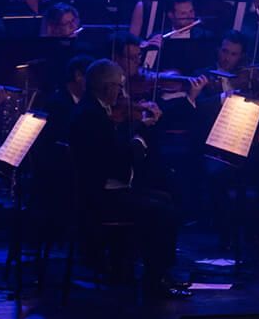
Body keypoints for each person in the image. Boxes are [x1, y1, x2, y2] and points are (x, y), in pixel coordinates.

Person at [68, 58, 188, 297]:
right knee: (162, 210)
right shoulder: (92, 116)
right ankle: (155, 280)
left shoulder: (93, 109)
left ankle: (158, 272)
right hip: (99, 197)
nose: (122, 92)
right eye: (119, 86)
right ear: (106, 88)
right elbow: (117, 159)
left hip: (103, 188)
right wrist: (141, 136)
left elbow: (113, 151)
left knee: (165, 199)